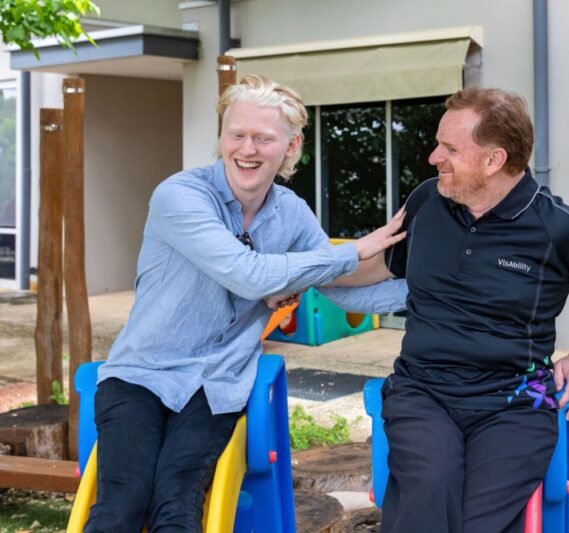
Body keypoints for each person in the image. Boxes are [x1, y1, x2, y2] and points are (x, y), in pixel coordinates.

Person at [83, 75, 406, 532]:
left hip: (216, 384)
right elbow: (247, 273)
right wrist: (355, 247)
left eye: (262, 138)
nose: (247, 149)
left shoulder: (290, 213)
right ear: (222, 137)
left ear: (291, 147)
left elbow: (341, 282)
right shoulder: (181, 195)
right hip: (143, 375)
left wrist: (429, 284)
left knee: (177, 506)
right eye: (237, 134)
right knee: (122, 504)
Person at [375, 87, 569, 532]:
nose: (432, 157)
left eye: (448, 148)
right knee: (427, 492)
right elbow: (376, 261)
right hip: (422, 392)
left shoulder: (556, 226)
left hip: (517, 402)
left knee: (478, 523)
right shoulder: (427, 201)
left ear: (493, 160)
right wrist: (293, 272)